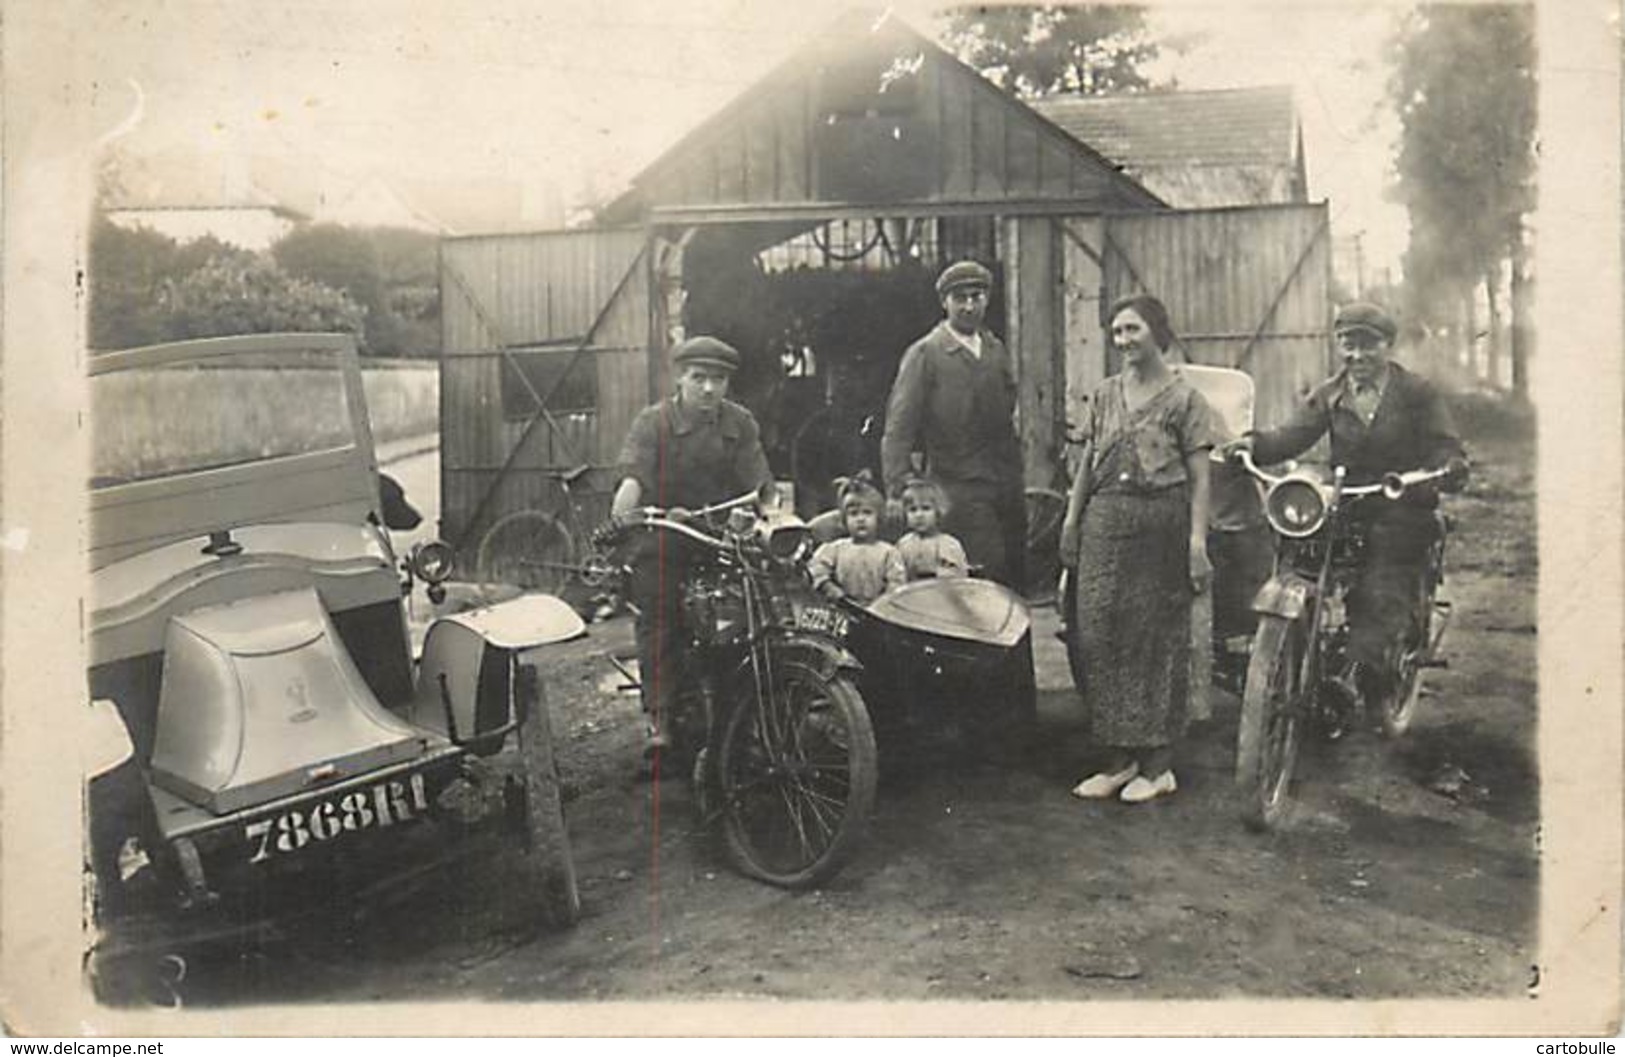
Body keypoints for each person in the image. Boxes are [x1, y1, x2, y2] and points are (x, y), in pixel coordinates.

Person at [1222, 301, 1469, 717]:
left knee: (1381, 587)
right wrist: (1252, 446)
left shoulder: (1416, 393)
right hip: (1350, 502)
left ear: (1387, 345)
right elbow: (1290, 436)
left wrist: (1446, 467)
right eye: (1347, 345)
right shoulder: (1331, 393)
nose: (1356, 356)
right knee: (1297, 551)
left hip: (1403, 504)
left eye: (1367, 345)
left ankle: (1364, 671)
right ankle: (1294, 649)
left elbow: (1446, 445)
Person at [1060, 294, 1219, 804]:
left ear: (1156, 332)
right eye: (1117, 333)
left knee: (1153, 642)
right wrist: (1071, 521)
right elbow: (1086, 466)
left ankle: (1158, 765)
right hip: (1105, 521)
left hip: (1161, 525)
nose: (1124, 341)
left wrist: (1197, 541)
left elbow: (1200, 478)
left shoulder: (1185, 399)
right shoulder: (1105, 394)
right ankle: (1119, 761)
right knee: (1099, 633)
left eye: (1132, 330)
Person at [611, 336, 775, 753]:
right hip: (665, 536)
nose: (708, 388)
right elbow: (634, 476)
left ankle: (754, 712)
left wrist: (750, 514)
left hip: (721, 537)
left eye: (717, 379)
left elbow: (760, 488)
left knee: (755, 612)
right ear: (679, 377)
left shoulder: (740, 423)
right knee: (659, 614)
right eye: (698, 377)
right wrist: (624, 513)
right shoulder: (654, 422)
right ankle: (660, 718)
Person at [881, 260, 1026, 588]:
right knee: (980, 572)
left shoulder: (994, 348)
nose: (969, 306)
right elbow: (899, 427)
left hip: (1004, 481)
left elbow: (1008, 401)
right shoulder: (926, 354)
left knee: (1014, 578)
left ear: (987, 299)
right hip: (957, 484)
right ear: (944, 302)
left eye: (977, 296)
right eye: (960, 298)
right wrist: (896, 487)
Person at [808, 474, 906, 605]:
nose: (861, 519)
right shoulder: (835, 548)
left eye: (867, 513)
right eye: (854, 514)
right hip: (843, 606)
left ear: (878, 518)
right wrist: (829, 587)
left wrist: (885, 601)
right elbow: (815, 568)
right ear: (844, 520)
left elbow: (897, 582)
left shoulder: (889, 552)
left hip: (879, 610)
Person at [894, 477, 968, 581]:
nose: (919, 515)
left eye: (926, 508)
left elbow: (957, 578)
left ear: (938, 511)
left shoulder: (950, 545)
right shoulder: (903, 545)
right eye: (913, 510)